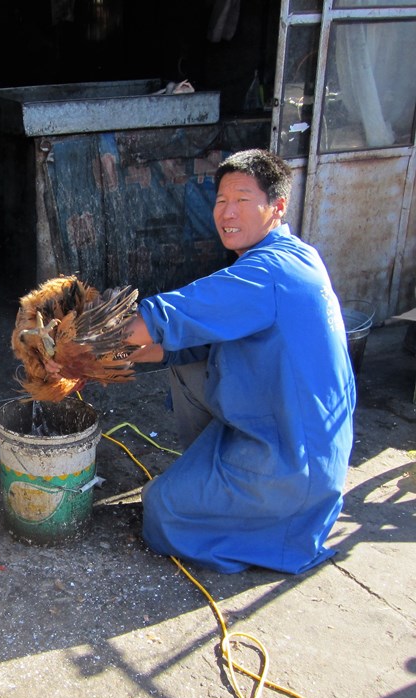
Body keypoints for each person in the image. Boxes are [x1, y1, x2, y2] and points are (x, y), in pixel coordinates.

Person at [121, 149, 356, 574]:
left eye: (243, 200)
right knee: (187, 364)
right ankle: (216, 482)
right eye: (220, 201)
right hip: (300, 439)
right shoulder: (295, 254)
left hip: (292, 464)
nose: (227, 213)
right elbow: (185, 341)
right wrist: (113, 359)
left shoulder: (267, 273)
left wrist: (79, 341)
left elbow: (170, 315)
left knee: (161, 510)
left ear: (277, 206)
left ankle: (269, 529)